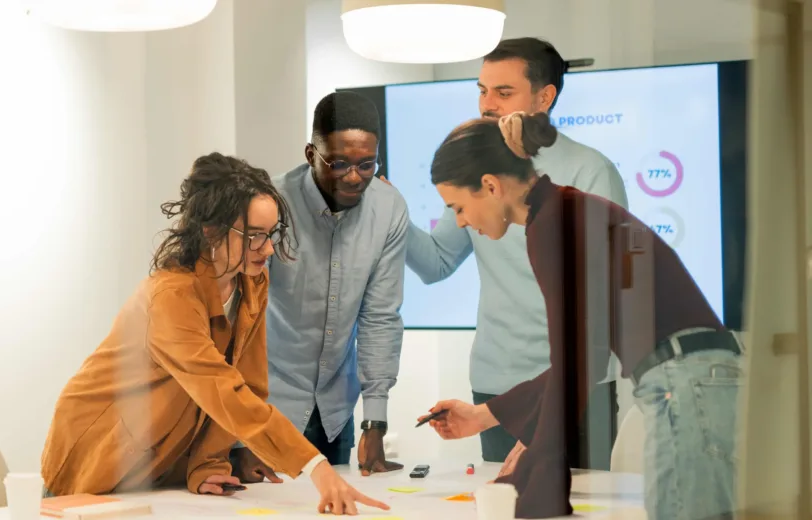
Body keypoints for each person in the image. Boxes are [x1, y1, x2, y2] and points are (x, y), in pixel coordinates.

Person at [418, 112, 743, 520]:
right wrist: (494, 420)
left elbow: (574, 361)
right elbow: (582, 355)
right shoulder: (563, 209)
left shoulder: (551, 224)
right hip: (701, 377)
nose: (462, 221)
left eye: (458, 208)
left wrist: (537, 467)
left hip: (684, 378)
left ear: (490, 186)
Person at [41, 153, 389, 516]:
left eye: (272, 235)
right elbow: (222, 389)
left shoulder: (251, 280)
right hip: (97, 455)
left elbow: (249, 383)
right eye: (255, 236)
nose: (268, 249)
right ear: (211, 230)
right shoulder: (170, 297)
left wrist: (208, 463)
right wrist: (314, 465)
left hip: (156, 465)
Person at [397, 37, 628, 472]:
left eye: (503, 93)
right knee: (505, 507)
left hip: (579, 382)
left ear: (545, 97)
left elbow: (604, 301)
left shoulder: (589, 172)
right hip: (496, 380)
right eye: (482, 91)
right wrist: (385, 207)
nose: (488, 105)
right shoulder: (476, 171)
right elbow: (435, 262)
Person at [263, 92, 408, 475]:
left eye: (367, 164)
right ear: (311, 154)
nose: (354, 176)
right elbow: (239, 315)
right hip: (267, 404)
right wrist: (239, 433)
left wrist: (374, 422)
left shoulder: (389, 207)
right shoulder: (272, 203)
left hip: (334, 409)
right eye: (339, 163)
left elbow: (380, 316)